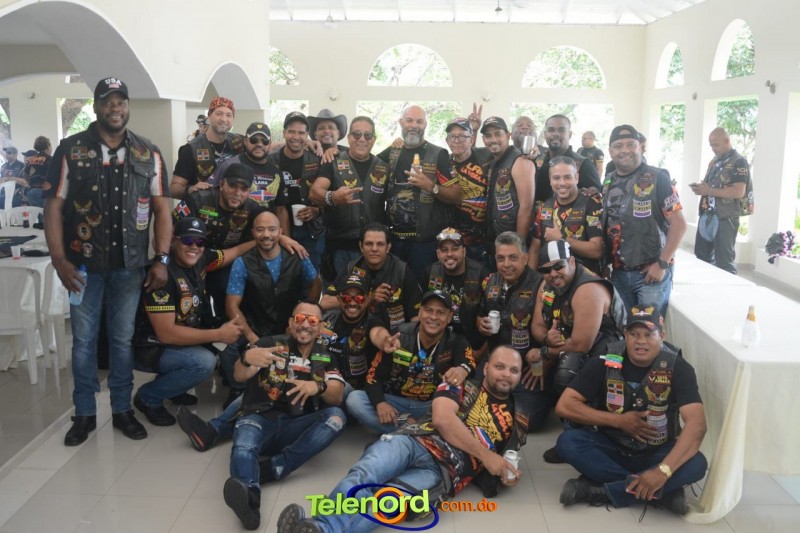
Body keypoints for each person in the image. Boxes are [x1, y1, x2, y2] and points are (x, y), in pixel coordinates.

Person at [44, 76, 172, 446]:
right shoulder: (70, 150)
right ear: (97, 106)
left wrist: (161, 258)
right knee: (84, 341)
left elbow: (163, 210)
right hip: (81, 267)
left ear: (128, 106)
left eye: (121, 102)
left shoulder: (148, 152)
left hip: (130, 267)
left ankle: (121, 410)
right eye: (107, 102)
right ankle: (84, 413)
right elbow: (53, 208)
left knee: (122, 340)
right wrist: (58, 259)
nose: (115, 108)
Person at [276, 345, 528, 533]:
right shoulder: (458, 382)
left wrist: (508, 475)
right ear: (486, 367)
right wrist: (487, 456)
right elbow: (443, 419)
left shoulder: (518, 420)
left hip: (444, 472)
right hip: (413, 441)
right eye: (500, 367)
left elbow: (505, 463)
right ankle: (322, 527)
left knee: (386, 504)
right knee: (364, 475)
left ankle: (320, 529)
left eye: (514, 370)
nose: (506, 374)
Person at [175, 270, 372, 452]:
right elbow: (294, 334)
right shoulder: (326, 318)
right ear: (339, 299)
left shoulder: (372, 325)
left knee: (328, 387)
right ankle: (215, 430)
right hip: (311, 371)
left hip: (343, 385)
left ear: (367, 299)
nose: (352, 302)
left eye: (359, 297)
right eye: (347, 297)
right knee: (264, 382)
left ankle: (224, 431)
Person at [555, 304, 708, 516]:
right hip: (612, 447)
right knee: (568, 443)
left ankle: (603, 491)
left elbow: (697, 425)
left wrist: (662, 471)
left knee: (697, 463)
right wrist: (618, 421)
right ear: (625, 335)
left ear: (662, 336)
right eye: (634, 334)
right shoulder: (605, 359)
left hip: (657, 451)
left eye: (649, 334)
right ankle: (659, 493)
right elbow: (565, 405)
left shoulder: (679, 367)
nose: (641, 341)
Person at [223, 300, 346, 530]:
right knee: (244, 446)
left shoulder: (326, 356)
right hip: (258, 417)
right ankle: (250, 500)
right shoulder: (269, 344)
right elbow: (239, 375)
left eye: (312, 321)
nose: (305, 325)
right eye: (300, 319)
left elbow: (337, 395)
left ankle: (273, 468)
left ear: (320, 327)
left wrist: (317, 387)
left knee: (336, 417)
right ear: (291, 323)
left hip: (295, 426)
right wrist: (246, 359)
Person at [132, 217, 252, 425]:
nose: (194, 247)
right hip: (151, 346)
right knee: (203, 363)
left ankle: (174, 388)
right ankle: (148, 397)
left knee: (226, 340)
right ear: (173, 241)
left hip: (181, 337)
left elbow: (233, 252)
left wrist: (267, 238)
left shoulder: (202, 258)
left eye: (200, 242)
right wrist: (217, 334)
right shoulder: (161, 275)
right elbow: (166, 334)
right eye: (187, 240)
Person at [529, 240, 626, 463]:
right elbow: (537, 325)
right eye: (546, 270)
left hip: (612, 349)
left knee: (567, 372)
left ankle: (587, 436)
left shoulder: (588, 290)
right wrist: (546, 338)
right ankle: (574, 435)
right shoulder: (547, 285)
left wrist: (544, 352)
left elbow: (582, 344)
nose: (553, 274)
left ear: (572, 261)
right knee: (562, 365)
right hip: (574, 342)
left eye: (558, 266)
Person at [219, 210, 321, 405]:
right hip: (254, 325)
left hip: (288, 326)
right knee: (223, 343)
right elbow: (231, 306)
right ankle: (238, 387)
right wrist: (251, 337)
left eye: (272, 229)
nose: (266, 234)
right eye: (260, 229)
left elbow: (315, 283)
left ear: (280, 232)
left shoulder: (298, 255)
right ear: (253, 233)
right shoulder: (242, 262)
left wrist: (302, 316)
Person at [347, 289, 476, 434]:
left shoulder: (456, 341)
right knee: (354, 400)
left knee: (466, 402)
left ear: (449, 317)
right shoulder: (399, 336)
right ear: (420, 312)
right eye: (428, 310)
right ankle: (418, 432)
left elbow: (469, 363)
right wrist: (380, 403)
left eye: (440, 312)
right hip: (397, 403)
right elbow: (372, 376)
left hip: (432, 406)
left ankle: (406, 431)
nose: (433, 317)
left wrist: (462, 369)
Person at [601, 125, 686, 316]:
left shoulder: (658, 178)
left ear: (640, 147)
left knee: (648, 329)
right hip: (619, 274)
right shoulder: (608, 181)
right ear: (610, 151)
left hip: (650, 274)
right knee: (623, 327)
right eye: (618, 146)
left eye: (630, 144)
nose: (624, 150)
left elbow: (679, 224)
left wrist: (662, 264)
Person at [378, 105, 462, 279]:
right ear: (401, 122)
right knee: (394, 289)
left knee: (422, 289)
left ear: (425, 125)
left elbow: (457, 195)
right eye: (409, 120)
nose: (414, 125)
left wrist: (431, 186)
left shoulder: (438, 154)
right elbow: (364, 161)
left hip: (425, 244)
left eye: (419, 121)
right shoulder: (393, 151)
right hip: (394, 241)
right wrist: (336, 150)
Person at [173, 163, 264, 322]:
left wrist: (284, 238)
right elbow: (169, 233)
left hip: (225, 263)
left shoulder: (253, 208)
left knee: (230, 290)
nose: (237, 193)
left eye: (244, 189)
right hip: (189, 260)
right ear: (221, 184)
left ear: (249, 191)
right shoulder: (197, 199)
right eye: (233, 186)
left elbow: (271, 228)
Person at [476, 232, 548, 431]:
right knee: (466, 400)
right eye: (501, 258)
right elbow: (480, 315)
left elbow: (552, 333)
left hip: (527, 367)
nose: (506, 264)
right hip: (495, 359)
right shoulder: (490, 281)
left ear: (525, 258)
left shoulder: (541, 284)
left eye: (513, 258)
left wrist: (544, 364)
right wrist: (480, 324)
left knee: (529, 420)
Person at [310, 116, 388, 274]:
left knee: (374, 289)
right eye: (357, 134)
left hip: (374, 248)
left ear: (374, 139)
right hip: (340, 248)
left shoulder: (384, 166)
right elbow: (314, 192)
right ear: (349, 137)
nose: (362, 139)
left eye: (367, 135)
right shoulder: (333, 161)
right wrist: (333, 197)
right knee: (338, 289)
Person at [321, 223, 421, 332]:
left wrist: (410, 339)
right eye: (369, 244)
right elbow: (324, 303)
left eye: (380, 244)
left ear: (388, 247)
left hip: (394, 334)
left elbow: (415, 317)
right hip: (358, 333)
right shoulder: (351, 268)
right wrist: (368, 299)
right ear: (361, 246)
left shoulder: (402, 271)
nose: (374, 249)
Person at [690, 127, 753, 275]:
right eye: (711, 145)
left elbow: (738, 192)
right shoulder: (714, 161)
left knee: (724, 263)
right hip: (707, 215)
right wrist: (701, 188)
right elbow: (711, 185)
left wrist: (709, 191)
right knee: (702, 257)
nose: (713, 148)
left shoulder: (739, 162)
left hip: (726, 218)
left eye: (716, 145)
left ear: (727, 140)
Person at [268, 111, 326, 270]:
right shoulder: (270, 161)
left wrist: (317, 210)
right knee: (284, 275)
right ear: (284, 133)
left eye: (301, 133)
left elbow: (329, 195)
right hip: (277, 230)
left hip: (311, 231)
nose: (296, 137)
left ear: (307, 135)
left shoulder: (317, 160)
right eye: (291, 132)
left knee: (311, 275)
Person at [529, 156, 604, 274]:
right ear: (550, 180)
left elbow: (597, 250)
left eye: (567, 177)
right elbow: (534, 250)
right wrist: (531, 281)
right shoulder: (544, 208)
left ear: (576, 178)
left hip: (585, 278)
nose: (562, 183)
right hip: (552, 277)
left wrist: (561, 239)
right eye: (556, 178)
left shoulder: (592, 204)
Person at [421, 227, 489, 351]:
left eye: (455, 249)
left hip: (473, 345)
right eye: (444, 250)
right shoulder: (429, 272)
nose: (449, 254)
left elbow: (491, 320)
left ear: (464, 251)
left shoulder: (481, 274)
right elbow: (421, 313)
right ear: (438, 254)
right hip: (440, 344)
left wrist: (480, 353)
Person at [482, 117, 536, 256]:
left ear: (507, 135)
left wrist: (519, 246)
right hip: (493, 239)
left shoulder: (521, 161)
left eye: (497, 134)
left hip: (511, 242)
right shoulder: (492, 161)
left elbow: (526, 208)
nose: (493, 139)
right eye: (488, 136)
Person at [210, 122, 289, 217]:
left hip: (265, 225)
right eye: (254, 140)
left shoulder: (276, 172)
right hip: (235, 224)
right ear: (245, 141)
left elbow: (280, 209)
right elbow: (208, 194)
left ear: (270, 144)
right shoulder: (229, 165)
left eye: (265, 141)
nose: (259, 144)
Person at [171, 96, 243, 199]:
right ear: (209, 116)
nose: (224, 119)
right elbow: (173, 189)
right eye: (219, 114)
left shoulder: (240, 143)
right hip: (204, 206)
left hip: (234, 206)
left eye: (229, 115)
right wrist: (191, 189)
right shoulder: (191, 149)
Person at [445, 117, 492, 263]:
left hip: (484, 238)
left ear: (471, 140)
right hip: (454, 239)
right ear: (447, 141)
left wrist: (531, 154)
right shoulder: (444, 163)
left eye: (462, 136)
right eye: (452, 136)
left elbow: (509, 154)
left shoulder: (486, 156)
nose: (456, 141)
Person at [534, 115, 601, 205]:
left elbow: (597, 198)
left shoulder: (584, 164)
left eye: (561, 130)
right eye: (551, 130)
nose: (556, 134)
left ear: (569, 134)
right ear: (545, 134)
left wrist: (595, 191)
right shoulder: (536, 163)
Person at [20, 136, 52, 208]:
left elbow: (25, 175)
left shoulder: (31, 159)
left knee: (36, 213)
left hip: (31, 192)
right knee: (45, 213)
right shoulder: (50, 159)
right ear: (48, 145)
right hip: (44, 192)